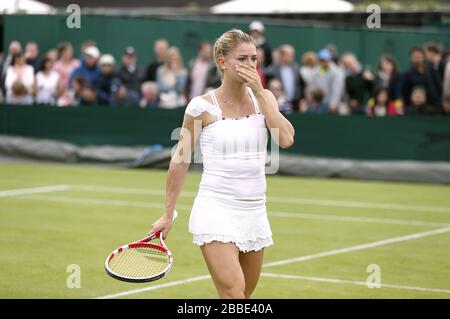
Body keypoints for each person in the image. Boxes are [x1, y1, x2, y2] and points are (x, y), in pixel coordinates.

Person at [149, 29, 294, 299]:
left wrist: (261, 93)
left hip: (255, 212)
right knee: (234, 294)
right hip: (215, 209)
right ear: (222, 61)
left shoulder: (265, 99)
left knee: (241, 298)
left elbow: (285, 139)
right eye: (242, 59)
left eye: (254, 59)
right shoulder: (200, 107)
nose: (250, 65)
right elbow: (180, 160)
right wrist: (168, 214)